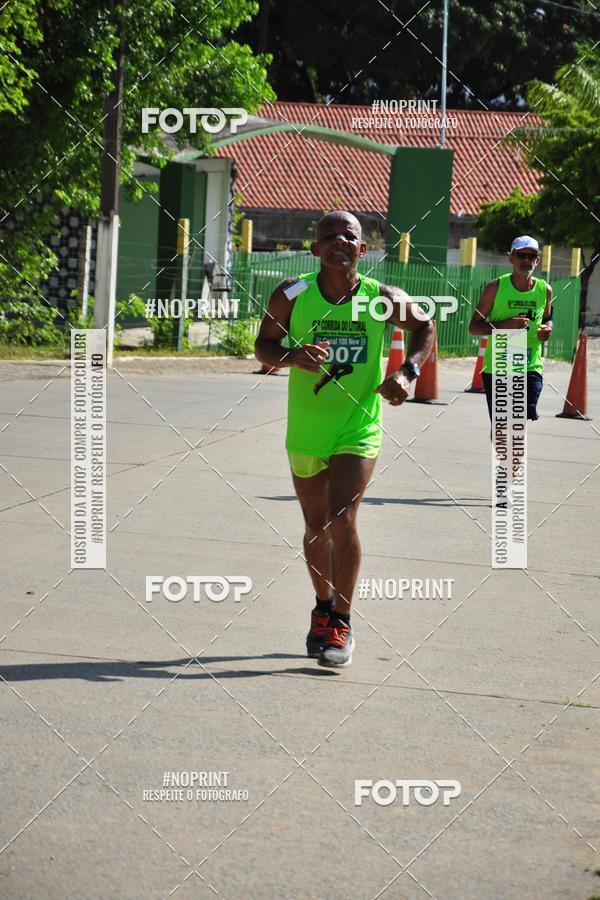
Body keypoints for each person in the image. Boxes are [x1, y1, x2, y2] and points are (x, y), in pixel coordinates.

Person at [254, 211, 433, 668]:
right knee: (316, 525)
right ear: (315, 250)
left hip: (359, 426)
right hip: (307, 430)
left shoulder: (382, 299)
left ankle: (342, 622)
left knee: (341, 520)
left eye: (348, 236)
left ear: (362, 250)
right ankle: (322, 607)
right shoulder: (292, 294)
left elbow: (425, 327)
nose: (339, 241)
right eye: (328, 236)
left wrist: (408, 372)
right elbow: (263, 346)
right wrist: (293, 356)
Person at [469, 235, 553, 425]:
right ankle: (504, 452)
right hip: (499, 365)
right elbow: (473, 328)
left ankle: (509, 450)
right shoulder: (495, 288)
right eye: (521, 255)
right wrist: (503, 325)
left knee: (519, 418)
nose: (526, 260)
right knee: (503, 428)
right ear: (511, 258)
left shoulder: (544, 289)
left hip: (531, 365)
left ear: (537, 260)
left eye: (531, 256)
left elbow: (548, 318)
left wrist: (546, 329)